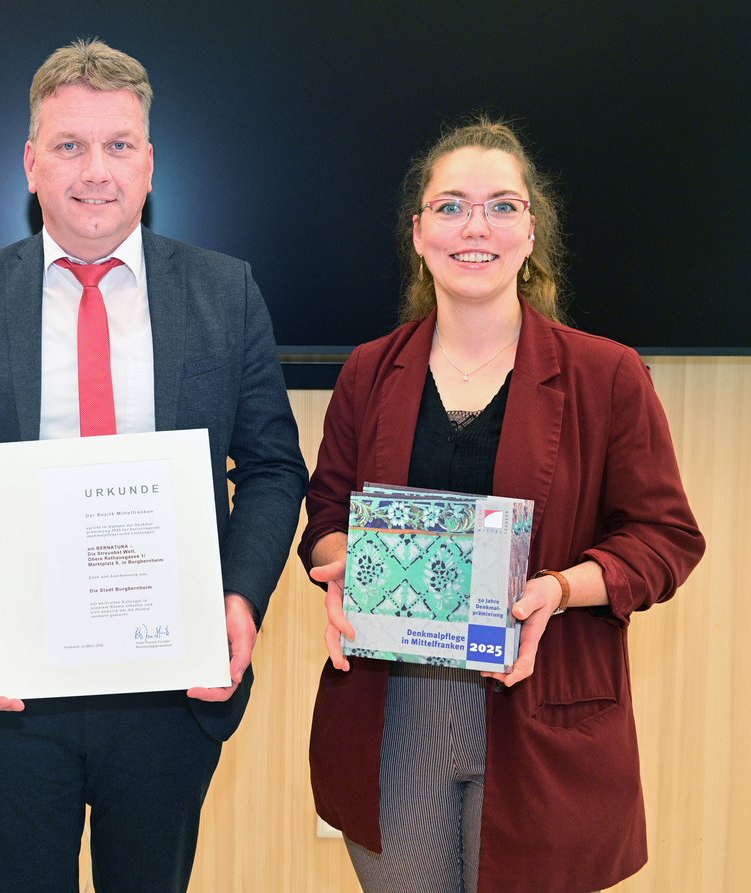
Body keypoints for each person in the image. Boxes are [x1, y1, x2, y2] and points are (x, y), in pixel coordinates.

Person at [0, 38, 307, 893]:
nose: (94, 170)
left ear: (149, 162)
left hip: (168, 688)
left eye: (117, 145)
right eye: (69, 146)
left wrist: (239, 599)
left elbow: (275, 467)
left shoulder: (225, 289)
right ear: (30, 163)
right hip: (15, 696)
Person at [298, 117, 705, 893]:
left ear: (530, 230)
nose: (473, 226)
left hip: (541, 707)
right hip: (394, 714)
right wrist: (339, 561)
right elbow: (325, 515)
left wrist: (558, 587)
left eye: (500, 206)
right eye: (449, 206)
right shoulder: (366, 373)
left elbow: (665, 537)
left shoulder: (606, 375)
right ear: (419, 234)